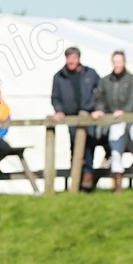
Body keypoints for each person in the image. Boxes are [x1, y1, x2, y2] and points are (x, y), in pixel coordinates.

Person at [51, 46, 101, 190]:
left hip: (89, 115)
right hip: (71, 117)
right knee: (74, 145)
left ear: (79, 58)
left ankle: (88, 174)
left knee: (90, 144)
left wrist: (97, 109)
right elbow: (55, 97)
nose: (71, 61)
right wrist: (59, 111)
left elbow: (100, 92)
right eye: (69, 58)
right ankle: (76, 177)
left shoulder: (90, 73)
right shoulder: (59, 76)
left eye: (74, 57)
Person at [91, 51, 133, 192]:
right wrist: (100, 110)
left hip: (132, 118)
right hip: (115, 120)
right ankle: (117, 183)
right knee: (115, 147)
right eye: (115, 62)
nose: (117, 65)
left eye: (120, 61)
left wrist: (125, 111)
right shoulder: (106, 81)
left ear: (124, 62)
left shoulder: (131, 80)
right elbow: (100, 98)